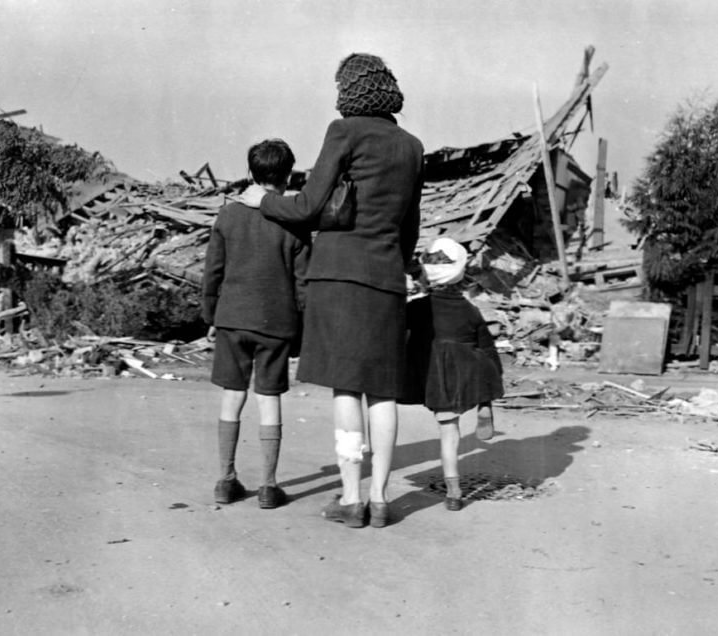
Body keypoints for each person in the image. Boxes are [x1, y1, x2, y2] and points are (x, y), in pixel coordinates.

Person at [241, 53, 424, 528]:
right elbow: (411, 228)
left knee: (347, 389)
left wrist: (265, 201)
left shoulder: (344, 132)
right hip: (386, 278)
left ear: (349, 90)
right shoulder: (412, 146)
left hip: (340, 275)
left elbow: (307, 206)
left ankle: (350, 498)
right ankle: (381, 499)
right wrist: (394, 265)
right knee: (383, 391)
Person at [202, 138, 311, 510]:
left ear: (251, 173)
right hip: (276, 323)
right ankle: (268, 486)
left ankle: (225, 479)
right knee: (269, 399)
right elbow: (303, 283)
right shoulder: (293, 221)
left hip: (232, 318)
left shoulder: (228, 215)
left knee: (232, 397)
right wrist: (300, 329)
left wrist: (210, 315)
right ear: (288, 176)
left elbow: (213, 271)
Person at [404, 237, 504, 511]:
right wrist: (495, 381)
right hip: (469, 372)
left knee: (449, 431)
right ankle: (486, 401)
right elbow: (488, 348)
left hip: (438, 378)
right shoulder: (470, 310)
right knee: (483, 361)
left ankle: (454, 489)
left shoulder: (416, 309)